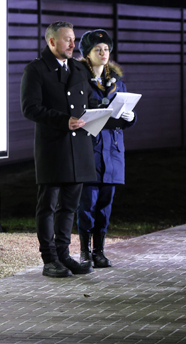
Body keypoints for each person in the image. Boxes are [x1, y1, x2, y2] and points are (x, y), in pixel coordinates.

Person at [20, 21, 96, 278]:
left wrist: (113, 113)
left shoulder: (79, 68)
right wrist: (63, 121)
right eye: (67, 39)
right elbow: (30, 108)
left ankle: (63, 255)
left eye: (74, 39)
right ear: (51, 42)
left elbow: (90, 103)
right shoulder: (36, 69)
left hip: (79, 148)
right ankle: (49, 259)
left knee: (69, 207)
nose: (73, 44)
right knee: (48, 206)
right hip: (53, 147)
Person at [76, 29, 136, 268]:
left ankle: (99, 251)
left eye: (106, 49)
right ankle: (84, 251)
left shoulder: (118, 83)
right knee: (87, 205)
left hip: (112, 152)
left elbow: (125, 113)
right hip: (90, 149)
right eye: (97, 50)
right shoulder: (79, 81)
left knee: (105, 206)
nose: (103, 53)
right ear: (87, 54)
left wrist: (131, 118)